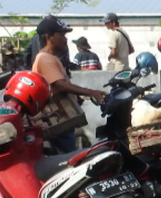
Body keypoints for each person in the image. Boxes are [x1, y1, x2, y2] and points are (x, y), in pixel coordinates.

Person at [31, 17, 106, 153]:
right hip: (58, 117)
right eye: (61, 35)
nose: (65, 39)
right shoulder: (45, 59)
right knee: (69, 159)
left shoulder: (52, 58)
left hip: (63, 116)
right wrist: (91, 92)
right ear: (49, 37)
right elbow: (61, 85)